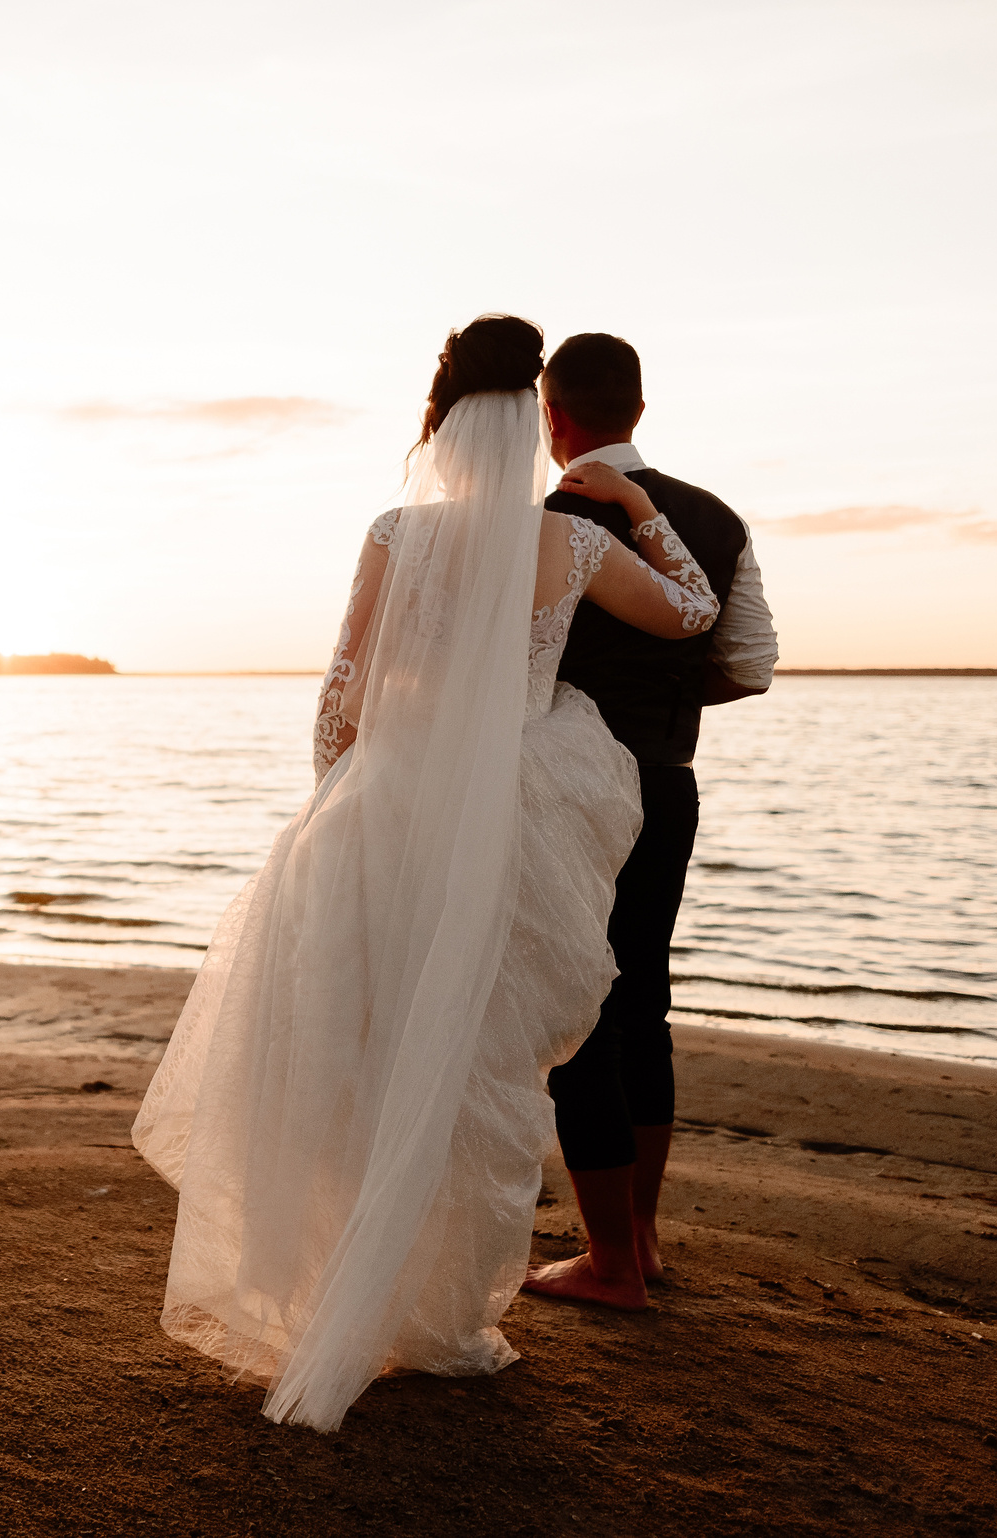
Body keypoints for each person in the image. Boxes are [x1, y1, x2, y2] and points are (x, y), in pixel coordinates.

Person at [132, 314, 720, 1431]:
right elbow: (691, 612)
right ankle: (438, 1313)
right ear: (532, 425)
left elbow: (340, 699)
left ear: (442, 426)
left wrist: (329, 809)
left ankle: (325, 1292)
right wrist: (636, 503)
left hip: (378, 817)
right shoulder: (576, 544)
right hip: (506, 829)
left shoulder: (397, 531)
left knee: (351, 1051)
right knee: (473, 1068)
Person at [523, 331, 778, 1311]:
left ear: (552, 414)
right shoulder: (713, 518)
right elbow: (745, 665)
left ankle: (608, 1264)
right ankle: (641, 1237)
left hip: (571, 785)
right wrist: (658, 707)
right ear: (638, 405)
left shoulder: (545, 520)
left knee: (581, 1008)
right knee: (643, 1000)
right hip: (669, 778)